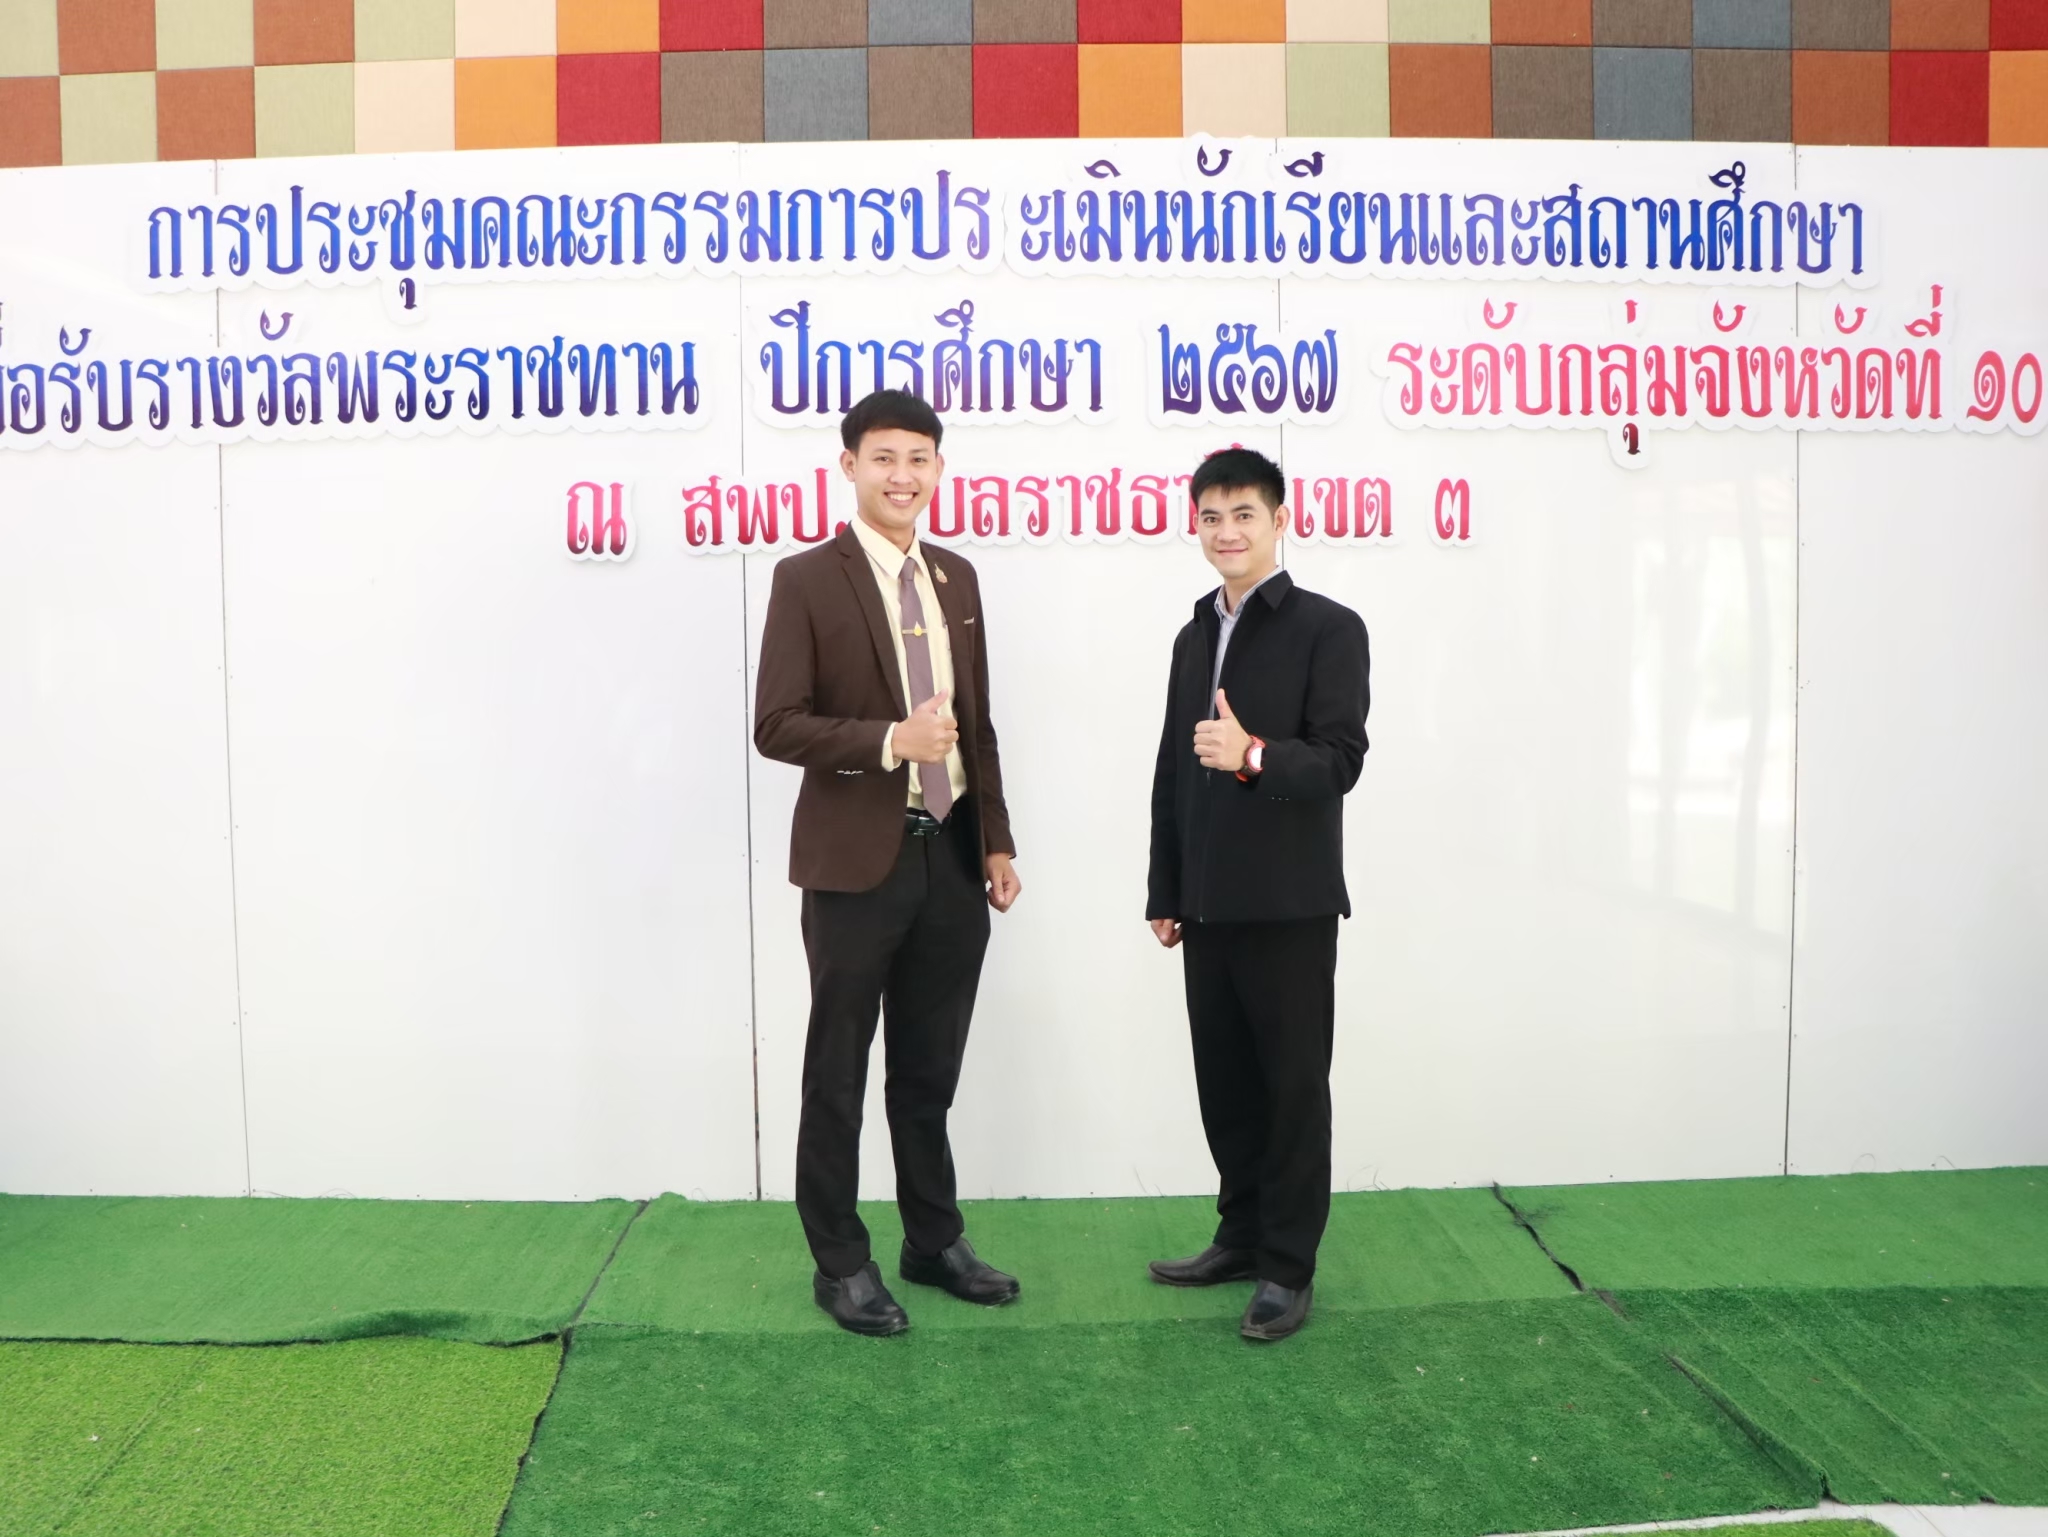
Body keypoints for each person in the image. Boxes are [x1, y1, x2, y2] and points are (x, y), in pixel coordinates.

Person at [754, 388, 1024, 1337]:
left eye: (918, 458)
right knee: (837, 1068)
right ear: (850, 467)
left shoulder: (957, 577)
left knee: (928, 1065)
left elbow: (977, 723)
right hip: (852, 864)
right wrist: (887, 741)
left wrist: (995, 839)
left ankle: (932, 1239)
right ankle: (839, 1259)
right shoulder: (806, 578)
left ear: (938, 469)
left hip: (950, 853)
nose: (902, 475)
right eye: (883, 458)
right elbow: (776, 724)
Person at [1144, 446, 1371, 1342]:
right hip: (1206, 903)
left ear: (1280, 520)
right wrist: (1166, 886)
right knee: (1225, 1082)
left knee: (1290, 1088)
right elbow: (1172, 769)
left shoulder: (1329, 628)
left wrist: (1254, 755)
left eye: (1244, 514)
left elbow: (1340, 760)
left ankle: (1287, 1265)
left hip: (1288, 903)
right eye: (1212, 516)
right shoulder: (1192, 635)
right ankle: (1239, 1237)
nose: (1227, 531)